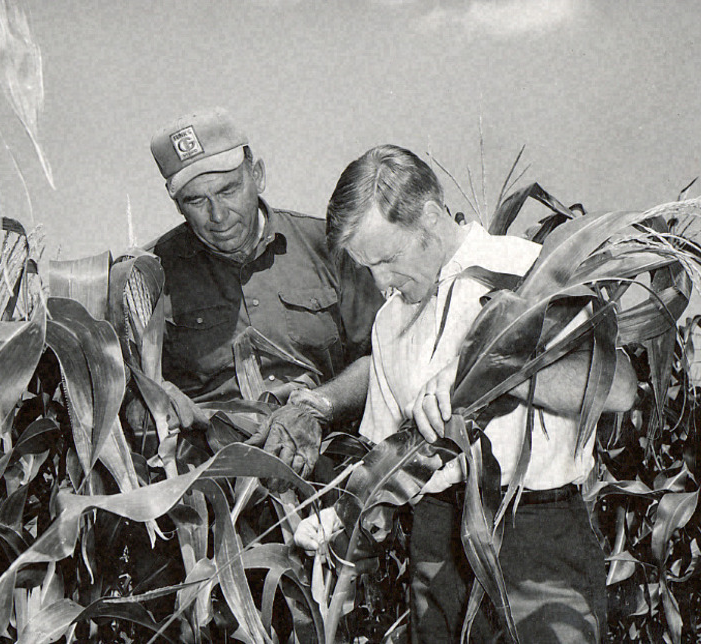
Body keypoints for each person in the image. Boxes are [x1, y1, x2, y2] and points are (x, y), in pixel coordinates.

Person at [295, 144, 638, 642]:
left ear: (430, 219)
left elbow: (619, 389)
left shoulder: (527, 271)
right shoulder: (390, 321)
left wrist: (490, 367)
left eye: (388, 259)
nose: (381, 282)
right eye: (366, 268)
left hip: (537, 537)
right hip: (434, 548)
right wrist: (341, 514)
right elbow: (387, 462)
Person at [146, 108, 383, 477]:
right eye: (196, 200)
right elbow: (122, 381)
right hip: (211, 483)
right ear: (176, 203)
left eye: (228, 190)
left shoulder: (328, 246)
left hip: (329, 462)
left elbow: (382, 359)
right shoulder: (150, 275)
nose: (218, 215)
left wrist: (317, 407)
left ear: (257, 175)